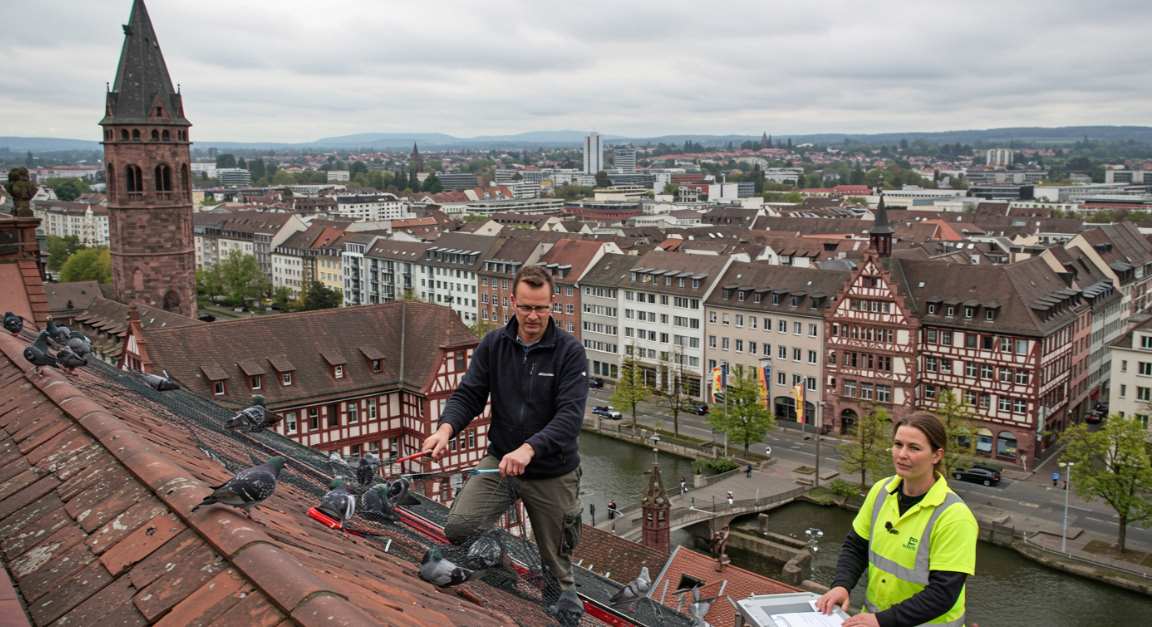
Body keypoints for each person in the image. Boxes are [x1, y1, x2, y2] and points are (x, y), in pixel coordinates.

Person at [423, 265, 588, 600]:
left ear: (552, 304)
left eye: (541, 307)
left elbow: (569, 417)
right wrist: (445, 429)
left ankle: (557, 612)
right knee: (460, 527)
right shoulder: (494, 344)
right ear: (512, 301)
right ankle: (504, 576)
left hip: (551, 471)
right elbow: (469, 394)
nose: (533, 316)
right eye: (526, 307)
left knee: (557, 569)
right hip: (500, 461)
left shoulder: (569, 352)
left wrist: (529, 448)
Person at [815, 412, 977, 627]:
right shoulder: (881, 491)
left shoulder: (955, 517)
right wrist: (842, 585)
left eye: (914, 448)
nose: (902, 454)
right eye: (898, 444)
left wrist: (883, 620)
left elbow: (943, 593)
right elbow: (856, 546)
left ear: (937, 455)